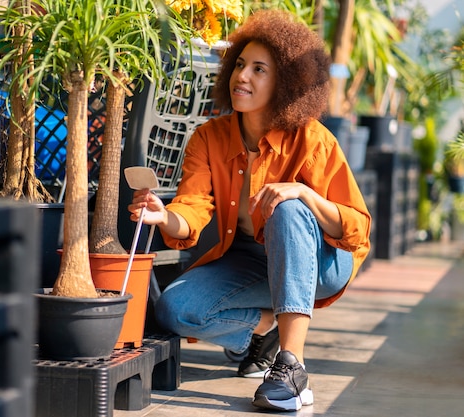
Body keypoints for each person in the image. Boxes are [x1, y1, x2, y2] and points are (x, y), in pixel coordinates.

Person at [128, 8, 371, 412]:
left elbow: (357, 227)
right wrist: (163, 215)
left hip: (321, 265)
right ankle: (264, 327)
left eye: (260, 69)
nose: (242, 77)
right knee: (175, 308)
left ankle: (292, 368)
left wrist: (305, 195)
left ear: (285, 84)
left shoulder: (313, 140)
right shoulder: (209, 138)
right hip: (249, 262)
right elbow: (192, 206)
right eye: (240, 65)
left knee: (288, 207)